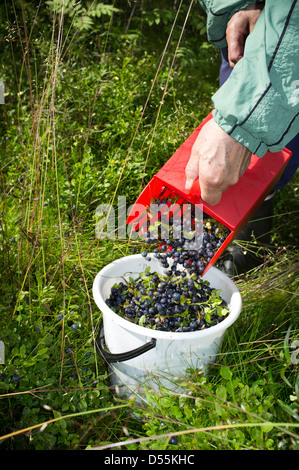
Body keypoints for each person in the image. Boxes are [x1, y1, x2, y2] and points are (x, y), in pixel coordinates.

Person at [185, 1, 299, 275]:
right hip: (248, 25)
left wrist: (243, 122)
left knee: (273, 147)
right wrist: (245, 4)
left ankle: (248, 252)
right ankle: (210, 241)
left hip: (289, 48)